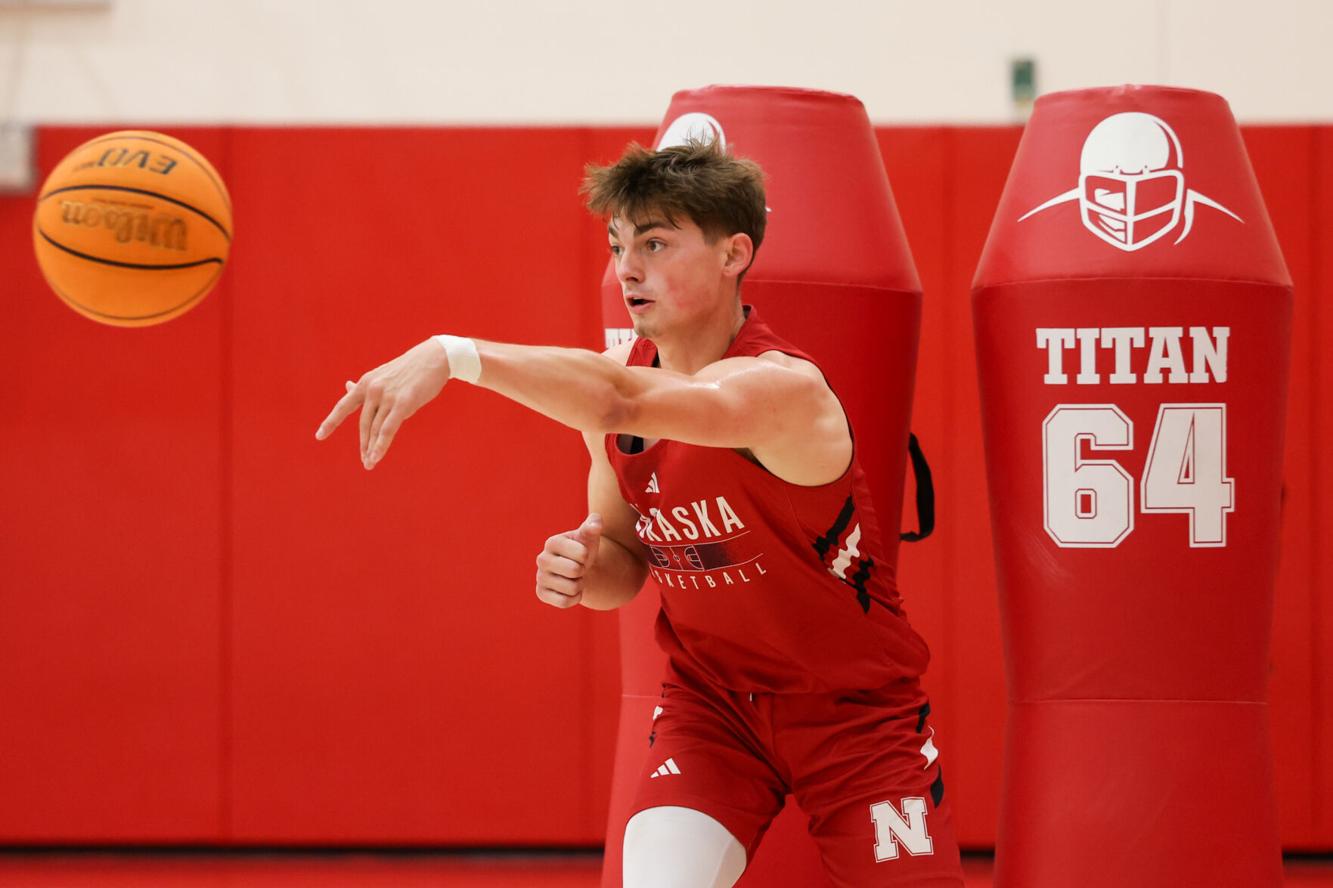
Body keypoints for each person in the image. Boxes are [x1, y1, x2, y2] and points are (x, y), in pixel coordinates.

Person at [315, 140, 963, 887]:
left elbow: (627, 399)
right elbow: (623, 565)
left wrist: (453, 353)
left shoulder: (781, 390)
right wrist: (586, 566)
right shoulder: (615, 398)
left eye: (654, 243)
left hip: (852, 717)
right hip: (713, 710)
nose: (627, 268)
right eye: (618, 245)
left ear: (734, 253)